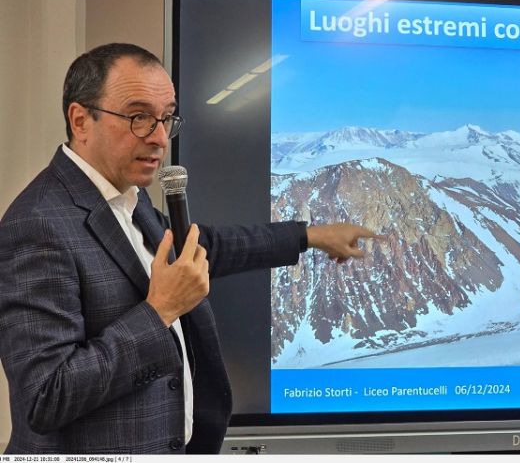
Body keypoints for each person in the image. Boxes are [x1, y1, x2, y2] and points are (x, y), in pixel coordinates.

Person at [0, 43, 378, 454]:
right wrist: (160, 310)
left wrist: (308, 236)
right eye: (139, 117)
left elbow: (201, 248)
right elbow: (44, 397)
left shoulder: (126, 196)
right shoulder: (37, 224)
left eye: (166, 118)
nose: (160, 138)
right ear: (80, 120)